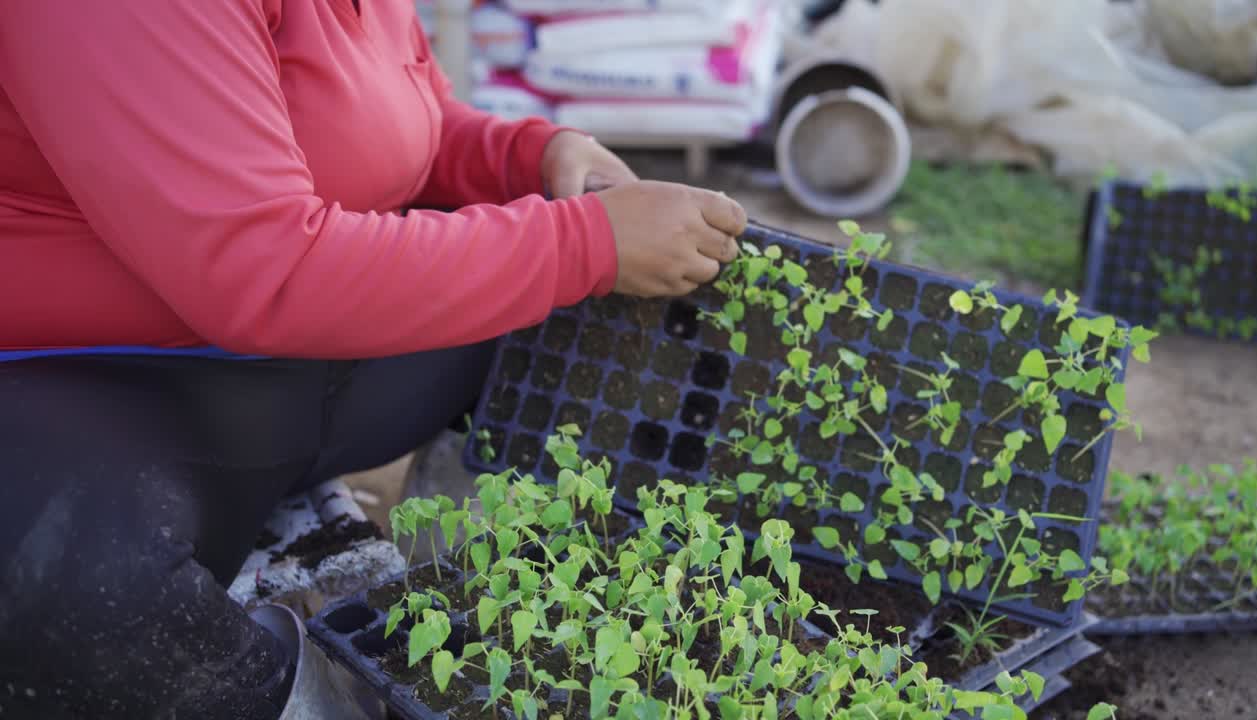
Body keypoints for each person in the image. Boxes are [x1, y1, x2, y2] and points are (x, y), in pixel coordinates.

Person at [0, 2, 746, 718]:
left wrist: (531, 155)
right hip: (93, 386)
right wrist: (585, 243)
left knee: (624, 327)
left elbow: (393, 123)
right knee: (62, 583)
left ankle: (351, 544)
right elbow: (265, 273)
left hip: (306, 367)